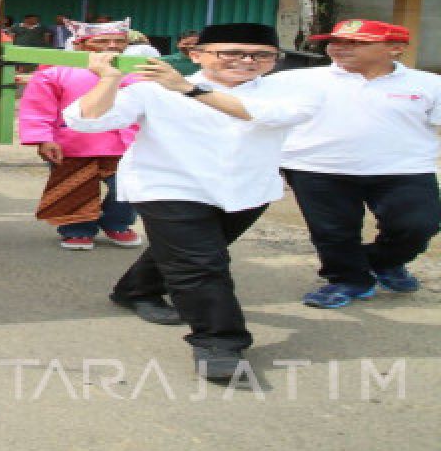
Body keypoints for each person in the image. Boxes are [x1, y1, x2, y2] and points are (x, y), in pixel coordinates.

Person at [64, 23, 318, 383]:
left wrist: (187, 88)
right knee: (202, 263)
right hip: (169, 187)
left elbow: (266, 116)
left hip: (246, 190)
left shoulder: (288, 90)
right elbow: (86, 121)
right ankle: (219, 341)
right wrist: (108, 79)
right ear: (196, 54)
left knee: (188, 253)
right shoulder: (153, 90)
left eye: (261, 55)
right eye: (231, 53)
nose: (246, 61)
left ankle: (135, 291)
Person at [275, 20, 441, 308]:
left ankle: (384, 262)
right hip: (317, 167)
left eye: (356, 43)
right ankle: (349, 280)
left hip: (403, 170)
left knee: (418, 226)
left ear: (396, 49)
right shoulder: (295, 81)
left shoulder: (429, 84)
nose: (340, 48)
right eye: (335, 41)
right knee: (333, 232)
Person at [19, 19, 143, 250]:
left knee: (129, 187)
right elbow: (38, 107)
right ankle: (77, 229)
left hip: (125, 144)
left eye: (119, 41)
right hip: (72, 143)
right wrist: (44, 139)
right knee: (74, 187)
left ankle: (117, 223)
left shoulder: (137, 71)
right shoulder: (54, 72)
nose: (112, 46)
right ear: (80, 44)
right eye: (103, 41)